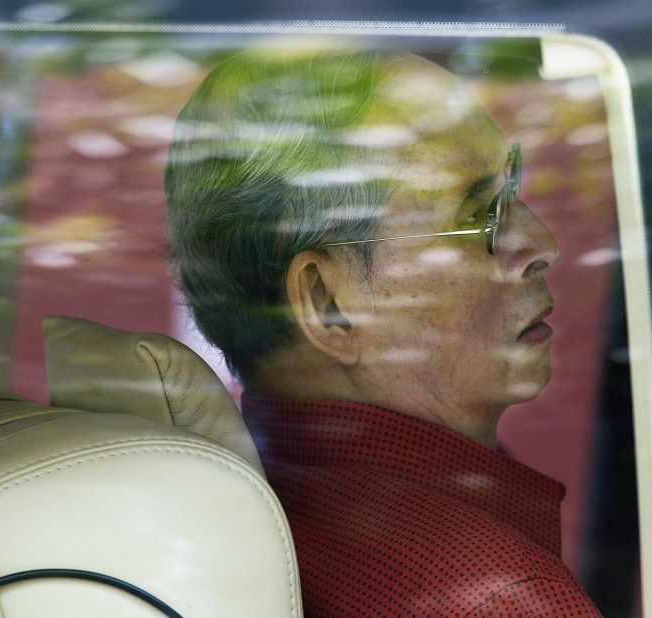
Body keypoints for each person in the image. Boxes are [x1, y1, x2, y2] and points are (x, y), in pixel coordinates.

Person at [165, 47, 603, 616]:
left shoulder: (271, 507)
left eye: (511, 188)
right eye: (478, 216)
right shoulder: (490, 597)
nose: (541, 245)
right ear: (329, 305)